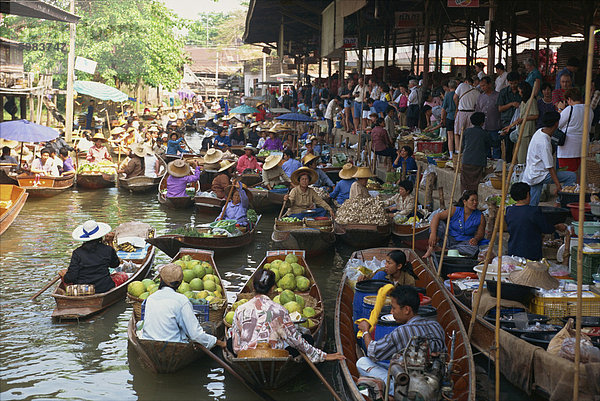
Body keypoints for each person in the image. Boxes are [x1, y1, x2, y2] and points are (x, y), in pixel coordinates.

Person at [230, 268, 344, 362]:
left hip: (246, 355)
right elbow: (295, 339)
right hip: (274, 356)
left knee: (230, 341)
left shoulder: (240, 310)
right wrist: (322, 355)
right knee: (307, 338)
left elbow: (236, 347)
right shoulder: (279, 310)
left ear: (253, 288)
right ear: (272, 289)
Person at [356, 285, 446, 397]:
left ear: (407, 310)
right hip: (435, 380)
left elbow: (373, 352)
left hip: (409, 385)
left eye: (394, 308)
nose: (391, 312)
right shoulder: (436, 325)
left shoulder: (403, 331)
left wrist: (365, 331)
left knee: (362, 362)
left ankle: (393, 388)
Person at [142, 263, 224, 350]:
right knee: (209, 327)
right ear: (180, 283)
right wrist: (218, 342)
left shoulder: (150, 298)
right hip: (173, 347)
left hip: (148, 343)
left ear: (160, 279)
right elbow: (196, 335)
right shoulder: (181, 300)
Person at [522, 111, 577, 206]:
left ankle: (530, 213)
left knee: (533, 203)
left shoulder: (540, 131)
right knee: (571, 176)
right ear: (556, 123)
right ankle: (560, 201)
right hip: (540, 174)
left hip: (533, 172)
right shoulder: (544, 143)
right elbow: (550, 168)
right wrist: (558, 186)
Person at [505, 183, 567, 261]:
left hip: (513, 250)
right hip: (530, 252)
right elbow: (547, 228)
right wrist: (556, 227)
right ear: (528, 195)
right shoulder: (533, 211)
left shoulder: (509, 210)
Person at [61, 220, 122, 293]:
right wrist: (110, 243)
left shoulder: (77, 253)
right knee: (123, 275)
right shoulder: (108, 249)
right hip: (104, 287)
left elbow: (71, 278)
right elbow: (115, 264)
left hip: (84, 289)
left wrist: (64, 275)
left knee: (64, 274)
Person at [425, 190, 488, 258]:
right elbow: (436, 216)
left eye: (476, 200)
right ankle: (431, 247)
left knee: (474, 249)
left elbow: (480, 233)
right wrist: (433, 234)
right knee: (439, 224)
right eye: (472, 200)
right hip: (447, 239)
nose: (475, 202)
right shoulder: (455, 210)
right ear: (465, 202)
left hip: (464, 243)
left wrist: (476, 239)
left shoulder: (480, 216)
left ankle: (444, 250)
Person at [501, 82, 539, 164]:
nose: (519, 93)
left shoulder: (531, 101)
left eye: (519, 91)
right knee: (520, 155)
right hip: (521, 130)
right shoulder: (523, 102)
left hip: (528, 131)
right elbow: (519, 118)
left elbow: (536, 115)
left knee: (524, 156)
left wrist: (524, 119)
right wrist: (510, 126)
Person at [557, 88, 593, 172]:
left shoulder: (569, 109)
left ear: (569, 99)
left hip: (567, 149)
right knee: (579, 175)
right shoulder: (589, 110)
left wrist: (560, 110)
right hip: (583, 146)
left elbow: (557, 124)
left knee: (567, 175)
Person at [461, 112, 491, 193]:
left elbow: (463, 145)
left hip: (466, 160)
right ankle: (473, 198)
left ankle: (465, 199)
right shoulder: (484, 133)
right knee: (475, 183)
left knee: (465, 183)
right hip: (478, 162)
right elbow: (491, 145)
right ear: (482, 122)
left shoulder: (467, 131)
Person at [496, 71, 522, 162]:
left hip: (519, 121)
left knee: (521, 145)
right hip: (507, 122)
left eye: (515, 83)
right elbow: (500, 108)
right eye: (511, 83)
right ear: (508, 82)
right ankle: (508, 165)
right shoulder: (503, 92)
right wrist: (511, 104)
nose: (513, 85)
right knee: (508, 147)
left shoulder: (522, 91)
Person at [475, 76, 501, 158]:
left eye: (484, 85)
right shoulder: (480, 97)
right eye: (481, 86)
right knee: (485, 147)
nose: (482, 88)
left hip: (494, 125)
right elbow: (478, 110)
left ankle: (497, 165)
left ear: (489, 84)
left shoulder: (497, 96)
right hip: (483, 126)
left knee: (496, 146)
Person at [454, 76, 479, 145]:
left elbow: (455, 97)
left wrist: (457, 107)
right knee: (470, 133)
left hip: (462, 112)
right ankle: (468, 148)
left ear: (466, 82)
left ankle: (458, 151)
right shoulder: (477, 91)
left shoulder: (462, 85)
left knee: (457, 133)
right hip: (472, 113)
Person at [441, 80, 458, 153]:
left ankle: (451, 154)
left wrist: (442, 119)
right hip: (458, 116)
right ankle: (457, 152)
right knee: (457, 135)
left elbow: (443, 108)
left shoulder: (447, 95)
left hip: (449, 117)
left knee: (450, 136)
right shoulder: (458, 94)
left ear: (449, 87)